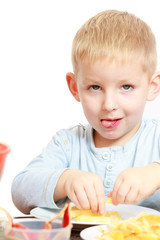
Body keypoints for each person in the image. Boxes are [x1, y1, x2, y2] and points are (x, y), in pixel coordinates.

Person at [11, 9, 160, 215]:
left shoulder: (156, 138)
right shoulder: (68, 144)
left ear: (152, 86)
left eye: (126, 87)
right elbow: (20, 189)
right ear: (75, 87)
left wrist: (156, 173)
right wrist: (66, 180)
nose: (109, 105)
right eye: (95, 87)